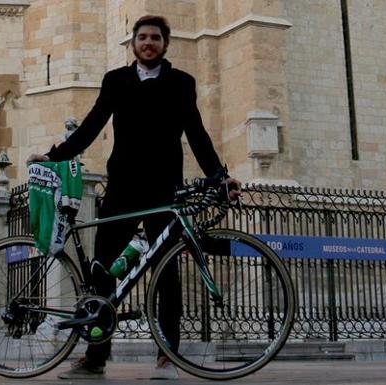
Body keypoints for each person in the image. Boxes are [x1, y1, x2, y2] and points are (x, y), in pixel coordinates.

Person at [28, 15, 240, 380]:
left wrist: (218, 177)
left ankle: (166, 357)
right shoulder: (117, 80)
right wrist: (57, 155)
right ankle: (95, 358)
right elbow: (93, 124)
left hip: (164, 189)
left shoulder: (181, 83)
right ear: (133, 43)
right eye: (142, 37)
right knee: (103, 270)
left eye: (155, 38)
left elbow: (197, 132)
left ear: (165, 43)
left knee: (167, 273)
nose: (148, 43)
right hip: (123, 186)